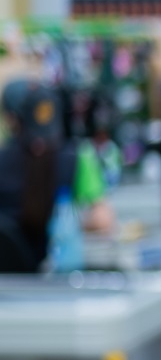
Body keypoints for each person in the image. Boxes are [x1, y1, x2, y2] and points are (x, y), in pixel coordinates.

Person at [0, 78, 114, 272]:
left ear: (11, 118)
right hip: (60, 278)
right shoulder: (78, 157)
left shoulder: (3, 159)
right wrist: (69, 225)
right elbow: (103, 220)